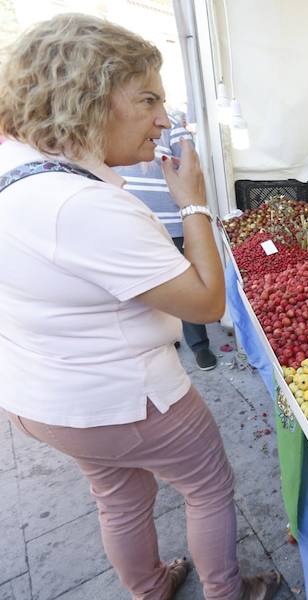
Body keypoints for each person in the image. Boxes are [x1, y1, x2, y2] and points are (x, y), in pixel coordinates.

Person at [0, 14, 279, 600]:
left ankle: (151, 589)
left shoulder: (14, 169)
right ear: (88, 100)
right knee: (207, 486)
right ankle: (227, 594)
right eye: (148, 98)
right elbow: (206, 302)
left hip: (40, 397)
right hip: (125, 398)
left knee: (118, 496)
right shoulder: (82, 206)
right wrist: (194, 203)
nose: (162, 119)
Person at [115, 110, 218, 370]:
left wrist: (192, 206)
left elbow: (187, 162)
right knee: (148, 285)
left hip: (171, 219)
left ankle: (199, 345)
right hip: (132, 219)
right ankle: (168, 337)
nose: (158, 114)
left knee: (184, 281)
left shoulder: (170, 120)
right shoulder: (111, 125)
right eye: (148, 100)